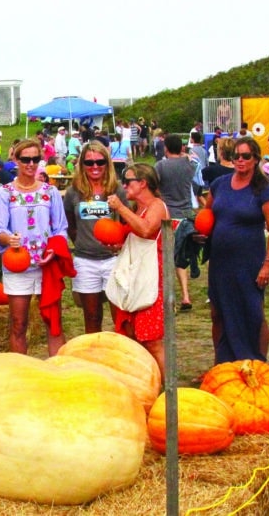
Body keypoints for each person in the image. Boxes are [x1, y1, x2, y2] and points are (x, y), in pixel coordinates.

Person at [0, 139, 70, 356]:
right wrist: (8, 239)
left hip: (47, 265)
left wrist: (55, 249)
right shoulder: (5, 193)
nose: (31, 164)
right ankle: (21, 375)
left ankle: (59, 373)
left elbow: (61, 228)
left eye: (36, 159)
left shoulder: (50, 192)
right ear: (16, 160)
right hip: (18, 265)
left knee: (53, 322)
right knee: (18, 324)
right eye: (26, 159)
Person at [204, 136, 269, 362]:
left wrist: (268, 263)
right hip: (220, 261)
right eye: (236, 156)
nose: (240, 160)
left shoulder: (264, 189)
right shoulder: (220, 184)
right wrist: (199, 232)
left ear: (256, 158)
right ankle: (222, 361)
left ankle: (258, 361)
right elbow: (207, 215)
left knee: (253, 313)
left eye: (246, 156)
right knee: (218, 312)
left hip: (249, 261)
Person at [107, 163, 169, 375]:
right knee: (133, 336)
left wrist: (120, 208)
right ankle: (145, 380)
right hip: (136, 277)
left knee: (152, 340)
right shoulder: (138, 209)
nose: (124, 185)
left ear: (143, 183)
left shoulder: (157, 206)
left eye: (128, 181)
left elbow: (146, 229)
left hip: (152, 278)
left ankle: (167, 390)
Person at [65, 142, 126, 334]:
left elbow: (126, 221)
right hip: (85, 260)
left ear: (107, 163)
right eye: (89, 162)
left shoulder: (117, 189)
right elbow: (70, 224)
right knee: (92, 317)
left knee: (121, 317)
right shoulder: (73, 192)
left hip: (113, 260)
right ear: (81, 164)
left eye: (100, 161)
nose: (95, 167)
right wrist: (83, 243)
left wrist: (119, 243)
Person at [154, 134, 196, 311]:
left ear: (166, 148)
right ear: (181, 147)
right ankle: (185, 295)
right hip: (187, 214)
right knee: (181, 259)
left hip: (168, 216)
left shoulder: (161, 166)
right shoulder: (189, 165)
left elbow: (153, 186)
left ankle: (166, 296)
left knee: (166, 258)